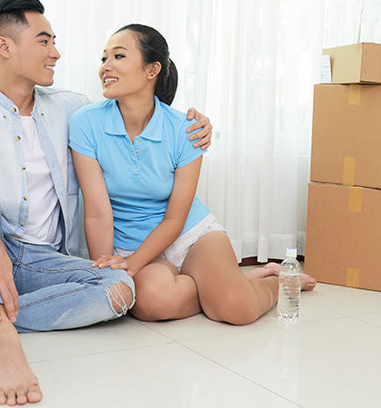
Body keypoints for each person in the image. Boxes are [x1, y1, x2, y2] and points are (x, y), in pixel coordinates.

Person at [0, 0, 212, 405]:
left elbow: (139, 106)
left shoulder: (73, 109)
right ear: (5, 46)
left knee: (120, 288)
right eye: (45, 41)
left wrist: (195, 123)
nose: (56, 53)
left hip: (38, 261)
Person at [69, 24, 315, 326]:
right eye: (103, 58)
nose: (106, 67)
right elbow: (96, 212)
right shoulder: (86, 123)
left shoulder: (187, 129)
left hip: (188, 235)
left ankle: (276, 283)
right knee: (151, 304)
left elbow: (175, 219)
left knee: (236, 310)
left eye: (118, 56)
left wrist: (130, 267)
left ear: (152, 70)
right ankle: (221, 286)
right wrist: (110, 270)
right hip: (130, 244)